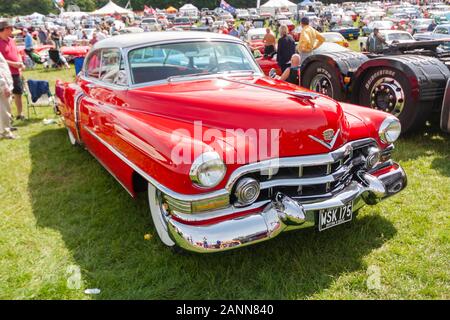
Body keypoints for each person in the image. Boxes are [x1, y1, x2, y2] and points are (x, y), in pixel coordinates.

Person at [0, 19, 25, 121]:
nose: (12, 30)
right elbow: (1, 60)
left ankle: (20, 113)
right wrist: (15, 64)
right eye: (10, 28)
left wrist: (20, 62)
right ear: (4, 29)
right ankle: (8, 117)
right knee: (7, 95)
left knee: (18, 92)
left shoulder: (11, 40)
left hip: (16, 72)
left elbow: (17, 53)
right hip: (5, 73)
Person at [0, 52, 15, 139]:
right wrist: (4, 86)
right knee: (4, 109)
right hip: (2, 85)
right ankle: (6, 132)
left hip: (4, 82)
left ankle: (6, 127)